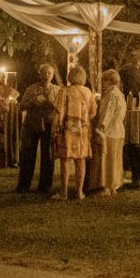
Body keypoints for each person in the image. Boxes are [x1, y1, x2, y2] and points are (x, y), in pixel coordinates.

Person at [52, 65, 96, 201]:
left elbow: (59, 113)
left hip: (68, 131)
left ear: (70, 77)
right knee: (81, 161)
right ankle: (79, 192)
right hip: (83, 132)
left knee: (65, 161)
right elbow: (93, 112)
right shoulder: (88, 92)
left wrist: (54, 129)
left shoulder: (64, 91)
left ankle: (63, 192)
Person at [17, 64, 60, 193]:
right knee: (28, 154)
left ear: (52, 75)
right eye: (44, 73)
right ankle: (24, 185)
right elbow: (21, 106)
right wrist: (32, 102)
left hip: (49, 124)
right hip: (32, 123)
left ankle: (45, 185)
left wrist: (51, 103)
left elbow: (60, 108)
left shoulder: (57, 90)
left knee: (48, 156)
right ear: (39, 74)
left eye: (49, 73)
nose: (47, 75)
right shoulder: (31, 89)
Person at [93, 68, 127, 195]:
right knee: (115, 160)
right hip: (118, 131)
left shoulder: (111, 95)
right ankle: (113, 185)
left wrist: (101, 127)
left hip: (109, 131)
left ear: (110, 81)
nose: (101, 84)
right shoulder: (120, 94)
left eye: (103, 81)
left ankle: (106, 187)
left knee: (106, 160)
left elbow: (108, 112)